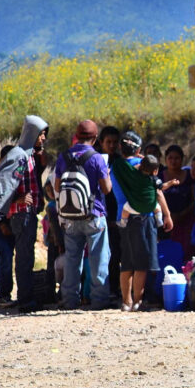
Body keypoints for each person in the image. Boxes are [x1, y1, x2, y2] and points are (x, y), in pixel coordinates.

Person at [53, 120, 115, 310]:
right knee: (98, 258)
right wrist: (107, 175)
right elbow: (106, 189)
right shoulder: (96, 158)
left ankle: (70, 300)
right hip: (93, 215)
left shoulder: (64, 156)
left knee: (72, 259)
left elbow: (56, 186)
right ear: (95, 138)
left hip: (70, 216)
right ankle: (99, 300)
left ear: (77, 136)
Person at [0, 114, 49, 313]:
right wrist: (13, 202)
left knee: (25, 257)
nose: (43, 138)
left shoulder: (26, 154)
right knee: (24, 258)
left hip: (27, 213)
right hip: (21, 214)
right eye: (41, 134)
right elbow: (4, 184)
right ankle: (26, 300)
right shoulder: (18, 155)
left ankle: (25, 297)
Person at [113, 147, 174, 312]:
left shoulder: (122, 168)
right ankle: (138, 301)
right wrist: (167, 215)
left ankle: (126, 302)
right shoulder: (150, 177)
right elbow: (159, 192)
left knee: (126, 261)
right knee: (142, 263)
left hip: (125, 217)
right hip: (146, 218)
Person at [96, 125, 123, 298]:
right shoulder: (96, 160)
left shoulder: (121, 162)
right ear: (101, 142)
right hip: (100, 213)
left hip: (118, 214)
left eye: (115, 142)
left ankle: (118, 288)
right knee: (104, 255)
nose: (112, 146)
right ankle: (106, 290)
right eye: (108, 142)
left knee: (118, 253)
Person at [160, 145, 195, 258]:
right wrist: (168, 215)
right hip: (164, 222)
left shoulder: (190, 176)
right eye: (170, 158)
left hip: (186, 221)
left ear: (182, 159)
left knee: (185, 253)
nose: (173, 161)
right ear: (165, 159)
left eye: (176, 158)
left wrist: (181, 214)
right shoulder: (159, 176)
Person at [0, 145, 16, 306]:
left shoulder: (14, 177)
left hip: (11, 222)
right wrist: (1, 223)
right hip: (0, 224)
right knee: (6, 257)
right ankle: (4, 295)